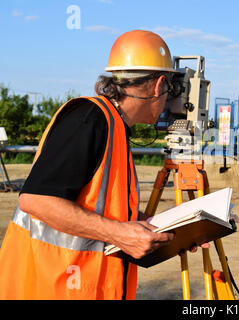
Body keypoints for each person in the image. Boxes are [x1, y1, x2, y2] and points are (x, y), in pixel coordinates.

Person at [0, 30, 206, 300]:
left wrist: (158, 230)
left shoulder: (115, 127)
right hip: (49, 286)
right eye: (169, 87)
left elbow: (99, 207)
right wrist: (119, 233)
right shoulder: (90, 119)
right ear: (158, 86)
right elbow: (36, 200)